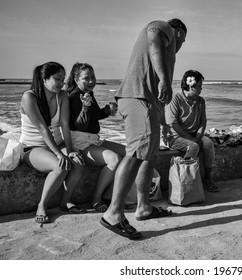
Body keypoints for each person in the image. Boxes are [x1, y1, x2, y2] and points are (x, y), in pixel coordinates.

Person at [100, 18, 187, 239]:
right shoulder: (163, 27)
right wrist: (165, 80)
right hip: (137, 97)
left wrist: (164, 121)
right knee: (136, 155)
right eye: (183, 40)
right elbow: (154, 41)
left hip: (147, 102)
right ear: (178, 33)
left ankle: (143, 207)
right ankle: (113, 213)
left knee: (147, 156)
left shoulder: (168, 47)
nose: (182, 45)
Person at [20, 61, 85, 224]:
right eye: (57, 79)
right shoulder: (29, 97)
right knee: (60, 165)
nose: (61, 83)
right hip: (33, 147)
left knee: (78, 162)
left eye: (63, 79)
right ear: (44, 79)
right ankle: (42, 205)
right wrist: (58, 154)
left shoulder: (61, 95)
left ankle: (65, 201)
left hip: (57, 143)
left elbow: (64, 124)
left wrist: (69, 150)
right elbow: (42, 128)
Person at [65, 62, 129, 212]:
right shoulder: (74, 97)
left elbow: (93, 117)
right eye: (86, 78)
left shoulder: (88, 94)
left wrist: (106, 111)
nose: (91, 81)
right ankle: (96, 198)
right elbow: (79, 125)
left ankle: (112, 193)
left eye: (93, 77)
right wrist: (86, 108)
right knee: (114, 159)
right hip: (80, 142)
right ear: (76, 79)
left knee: (129, 152)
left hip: (93, 139)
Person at [165, 70, 219, 192]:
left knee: (208, 144)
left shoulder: (200, 101)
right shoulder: (175, 99)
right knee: (193, 147)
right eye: (199, 86)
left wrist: (198, 136)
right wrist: (191, 139)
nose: (201, 89)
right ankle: (185, 181)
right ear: (191, 85)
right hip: (175, 136)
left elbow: (203, 121)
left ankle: (207, 179)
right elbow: (173, 123)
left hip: (194, 135)